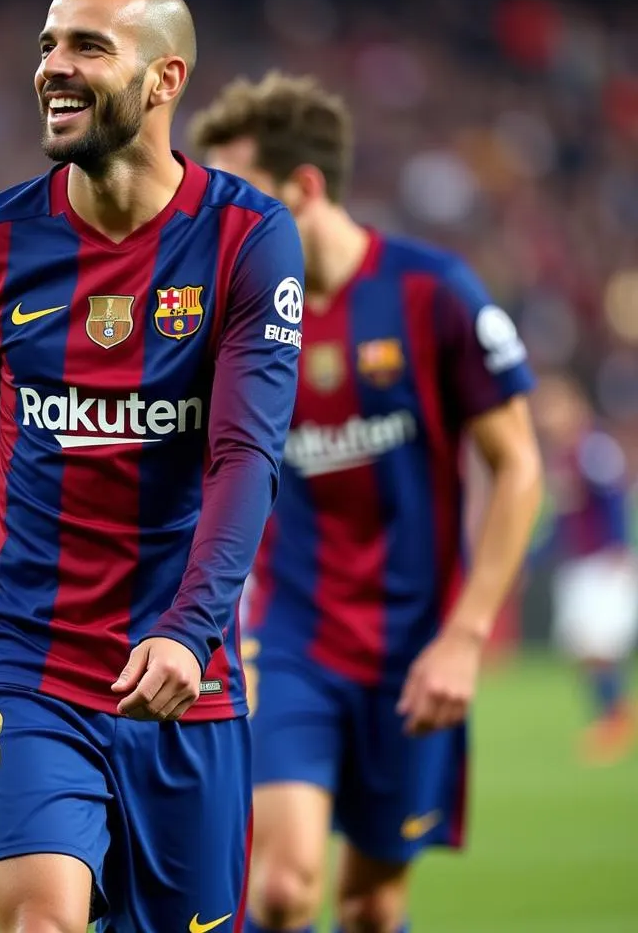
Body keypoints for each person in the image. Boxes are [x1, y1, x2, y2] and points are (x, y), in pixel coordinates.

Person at [0, 0, 304, 933]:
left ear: (165, 79)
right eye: (47, 45)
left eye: (87, 47)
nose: (54, 69)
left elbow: (245, 457)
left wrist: (190, 629)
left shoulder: (248, 236)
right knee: (41, 920)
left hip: (183, 675)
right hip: (22, 659)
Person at [190, 73, 543, 933]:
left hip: (414, 649)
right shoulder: (234, 320)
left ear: (305, 189)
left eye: (240, 200)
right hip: (293, 639)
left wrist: (465, 637)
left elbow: (520, 466)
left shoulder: (435, 293)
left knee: (373, 908)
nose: (219, 226)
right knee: (279, 891)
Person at [531, 372, 637, 766]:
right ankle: (613, 714)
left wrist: (619, 549)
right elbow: (562, 523)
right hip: (577, 563)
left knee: (600, 645)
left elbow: (612, 499)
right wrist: (533, 559)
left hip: (602, 561)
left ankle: (614, 719)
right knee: (584, 649)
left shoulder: (594, 448)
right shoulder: (564, 458)